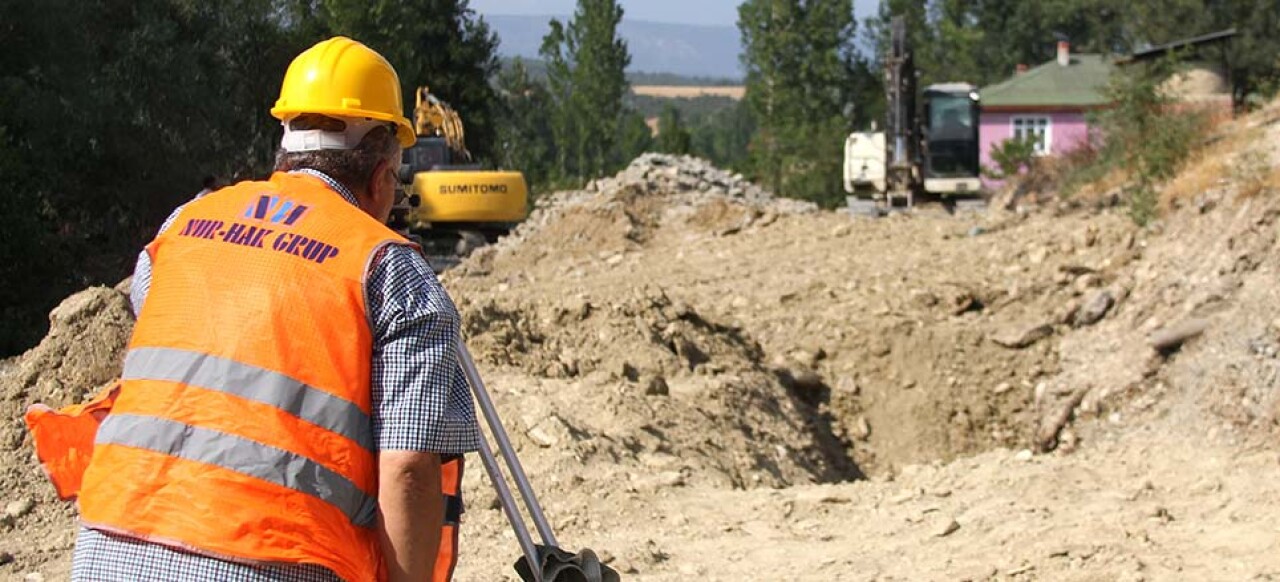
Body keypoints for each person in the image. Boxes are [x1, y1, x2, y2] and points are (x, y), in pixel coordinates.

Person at [68, 37, 481, 582]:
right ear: (383, 175)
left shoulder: (182, 226)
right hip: (268, 560)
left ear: (285, 149)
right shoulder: (389, 269)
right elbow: (406, 467)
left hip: (109, 546)